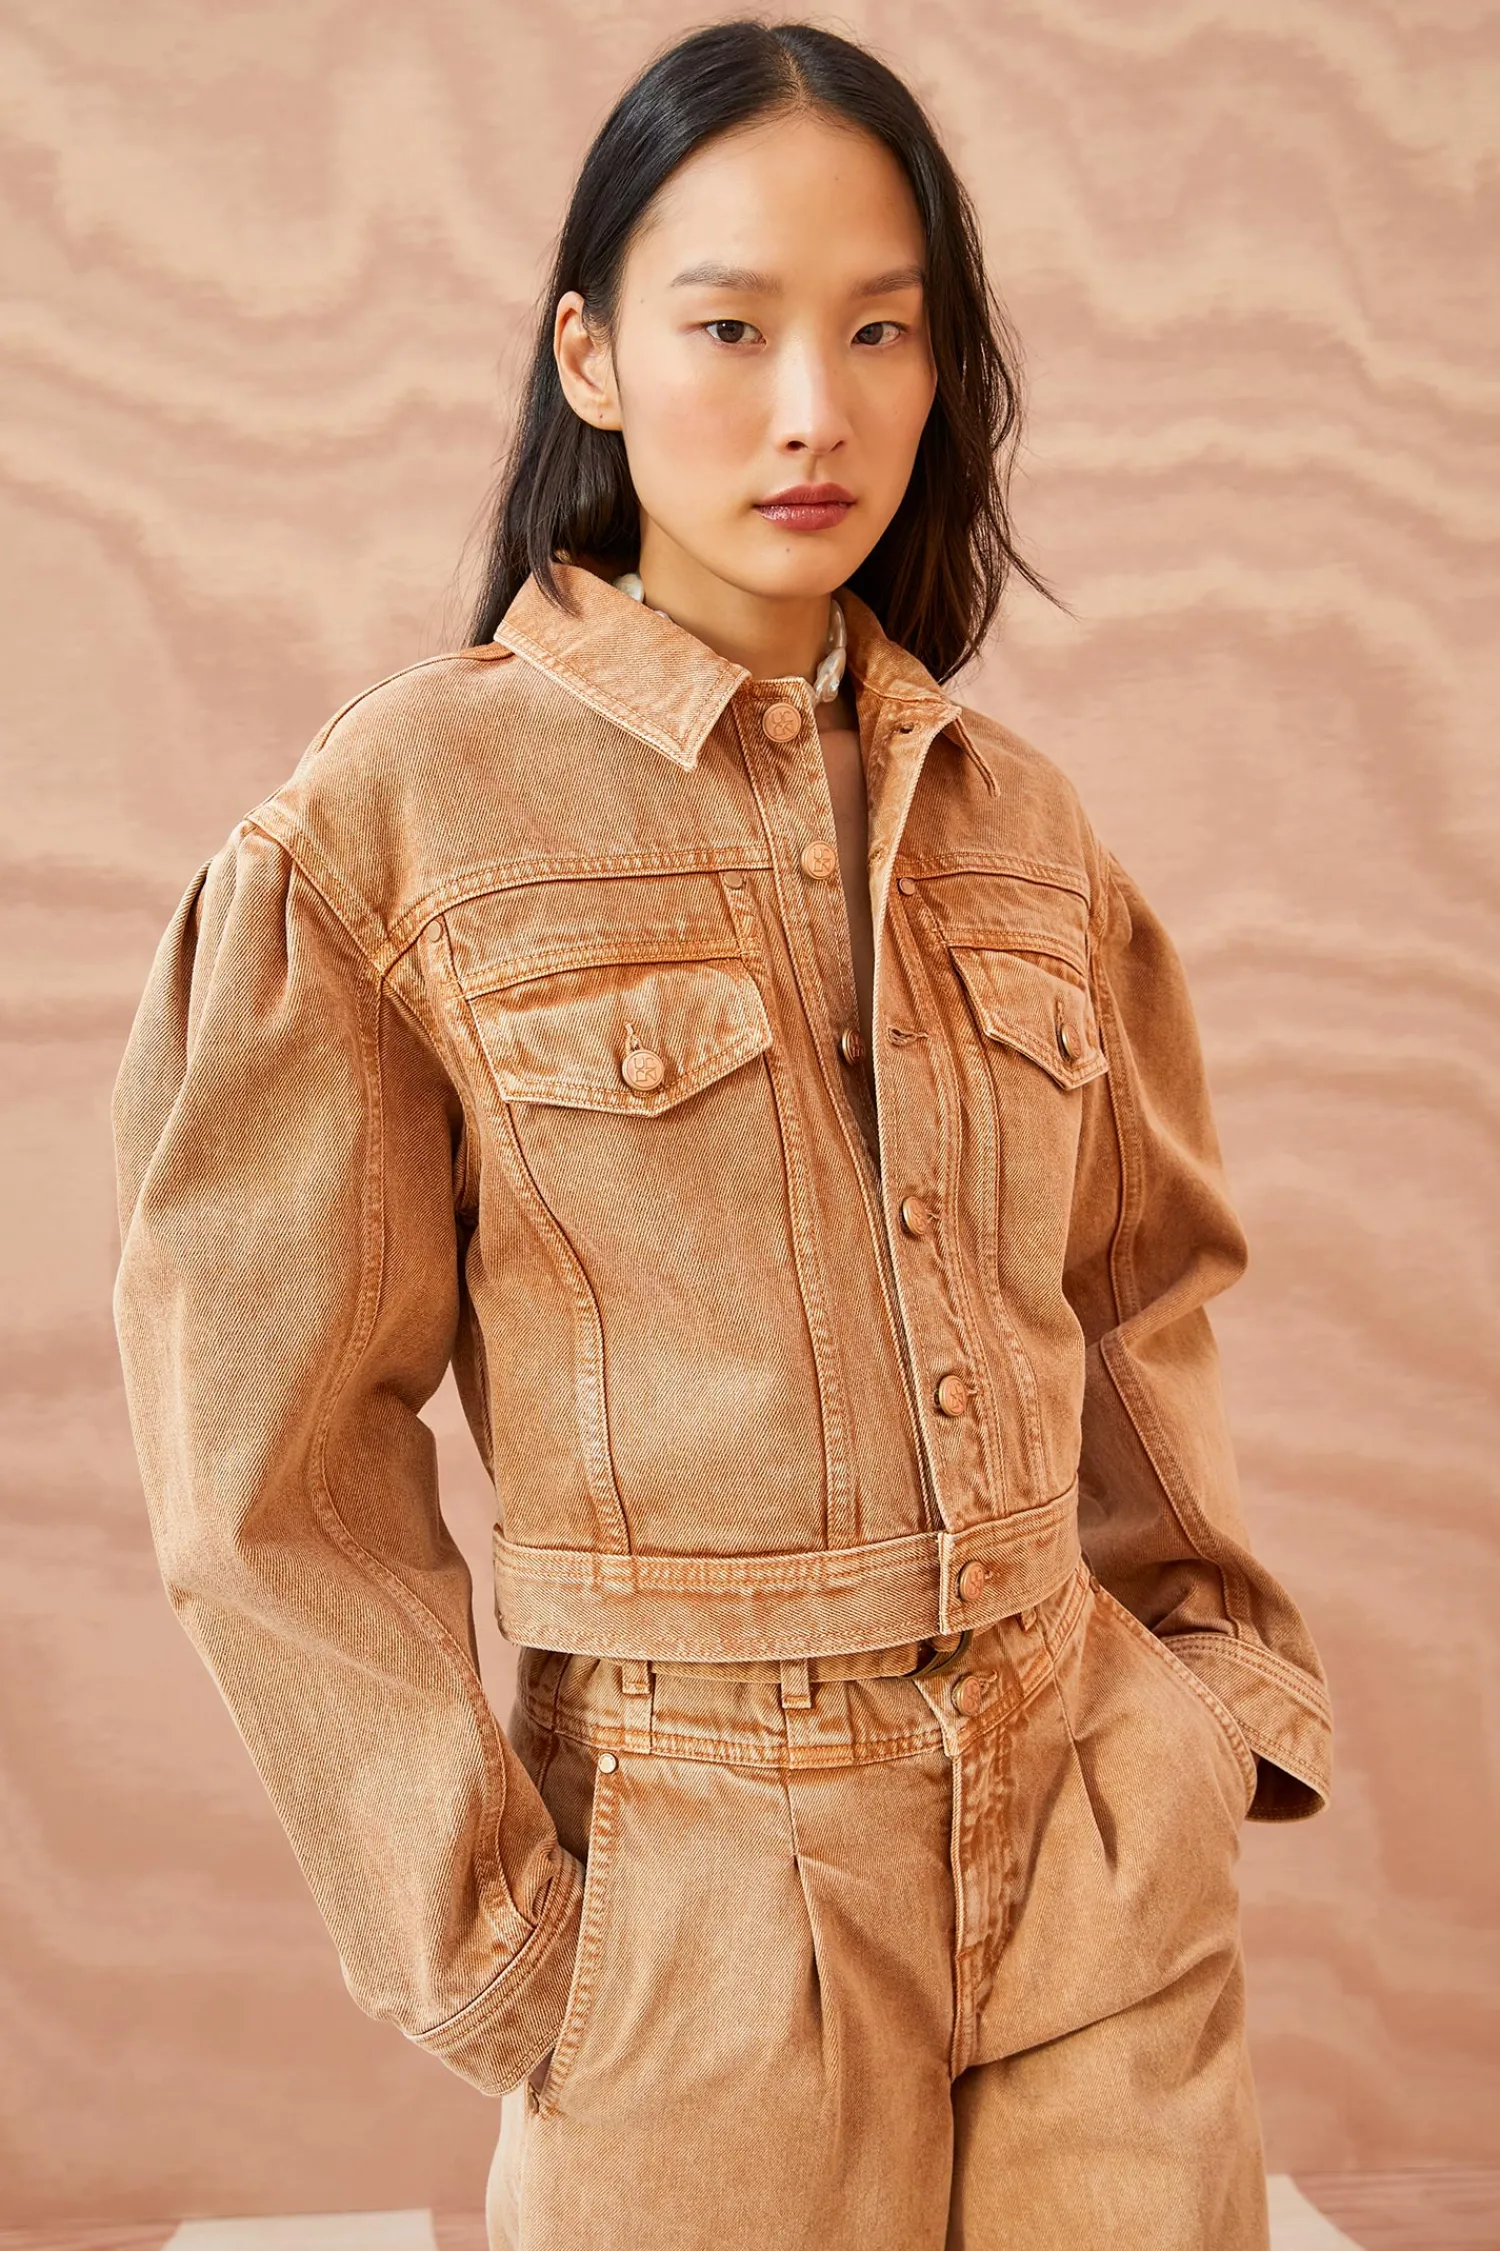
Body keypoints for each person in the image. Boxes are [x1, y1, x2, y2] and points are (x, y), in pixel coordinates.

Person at [111, 21, 1332, 2251]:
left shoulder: (1024, 830)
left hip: (1092, 1843)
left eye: (882, 331)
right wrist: (498, 1942)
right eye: (732, 326)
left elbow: (1136, 1289)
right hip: (703, 1895)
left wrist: (1204, 1699)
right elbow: (260, 1460)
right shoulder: (395, 828)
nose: (813, 410)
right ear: (588, 355)